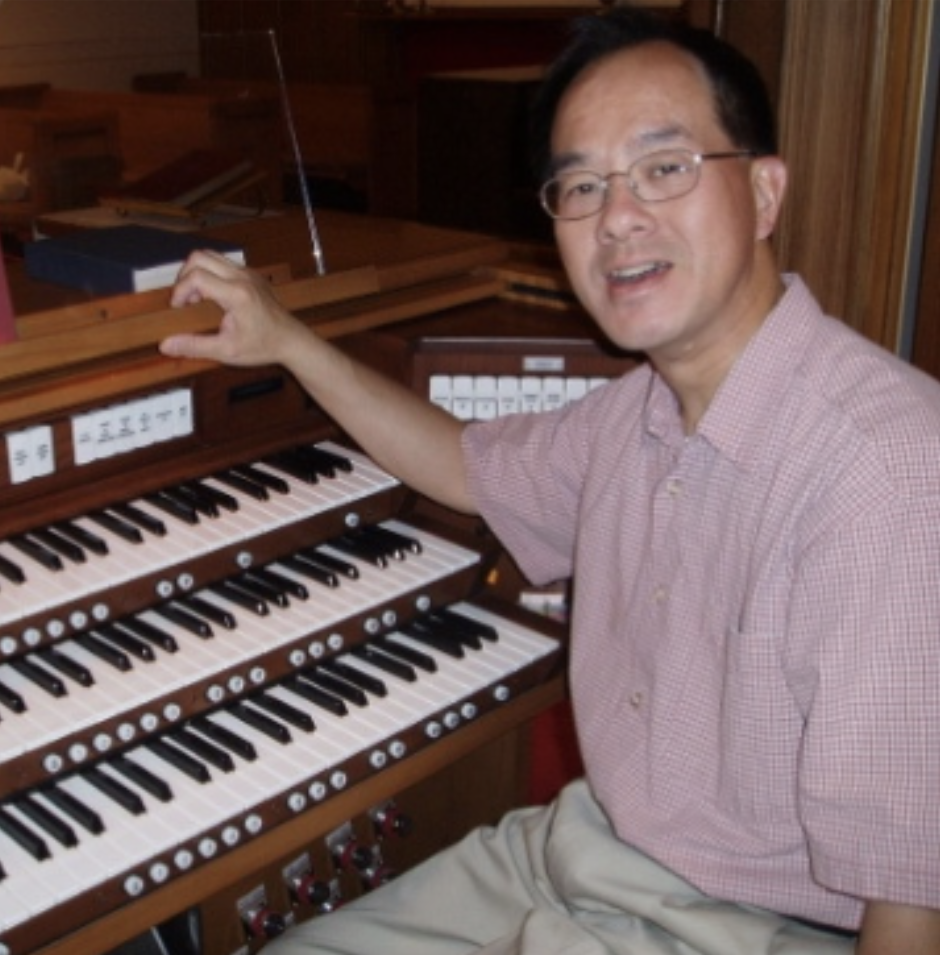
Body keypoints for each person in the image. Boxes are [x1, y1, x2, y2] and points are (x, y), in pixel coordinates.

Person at [160, 7, 940, 954]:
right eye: (579, 185)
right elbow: (460, 463)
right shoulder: (634, 412)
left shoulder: (884, 470)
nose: (617, 218)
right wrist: (288, 341)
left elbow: (909, 901)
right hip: (577, 850)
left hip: (753, 925)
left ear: (765, 193)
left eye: (665, 168)